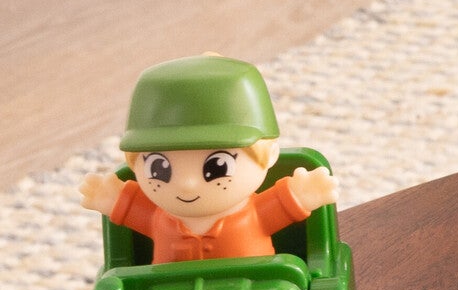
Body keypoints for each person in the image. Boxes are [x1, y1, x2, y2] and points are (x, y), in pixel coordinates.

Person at [79, 56, 338, 264]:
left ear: (269, 155)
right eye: (159, 168)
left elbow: (281, 205)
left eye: (217, 166)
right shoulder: (159, 220)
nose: (188, 184)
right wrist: (110, 198)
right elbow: (133, 208)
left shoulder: (253, 216)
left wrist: (303, 194)